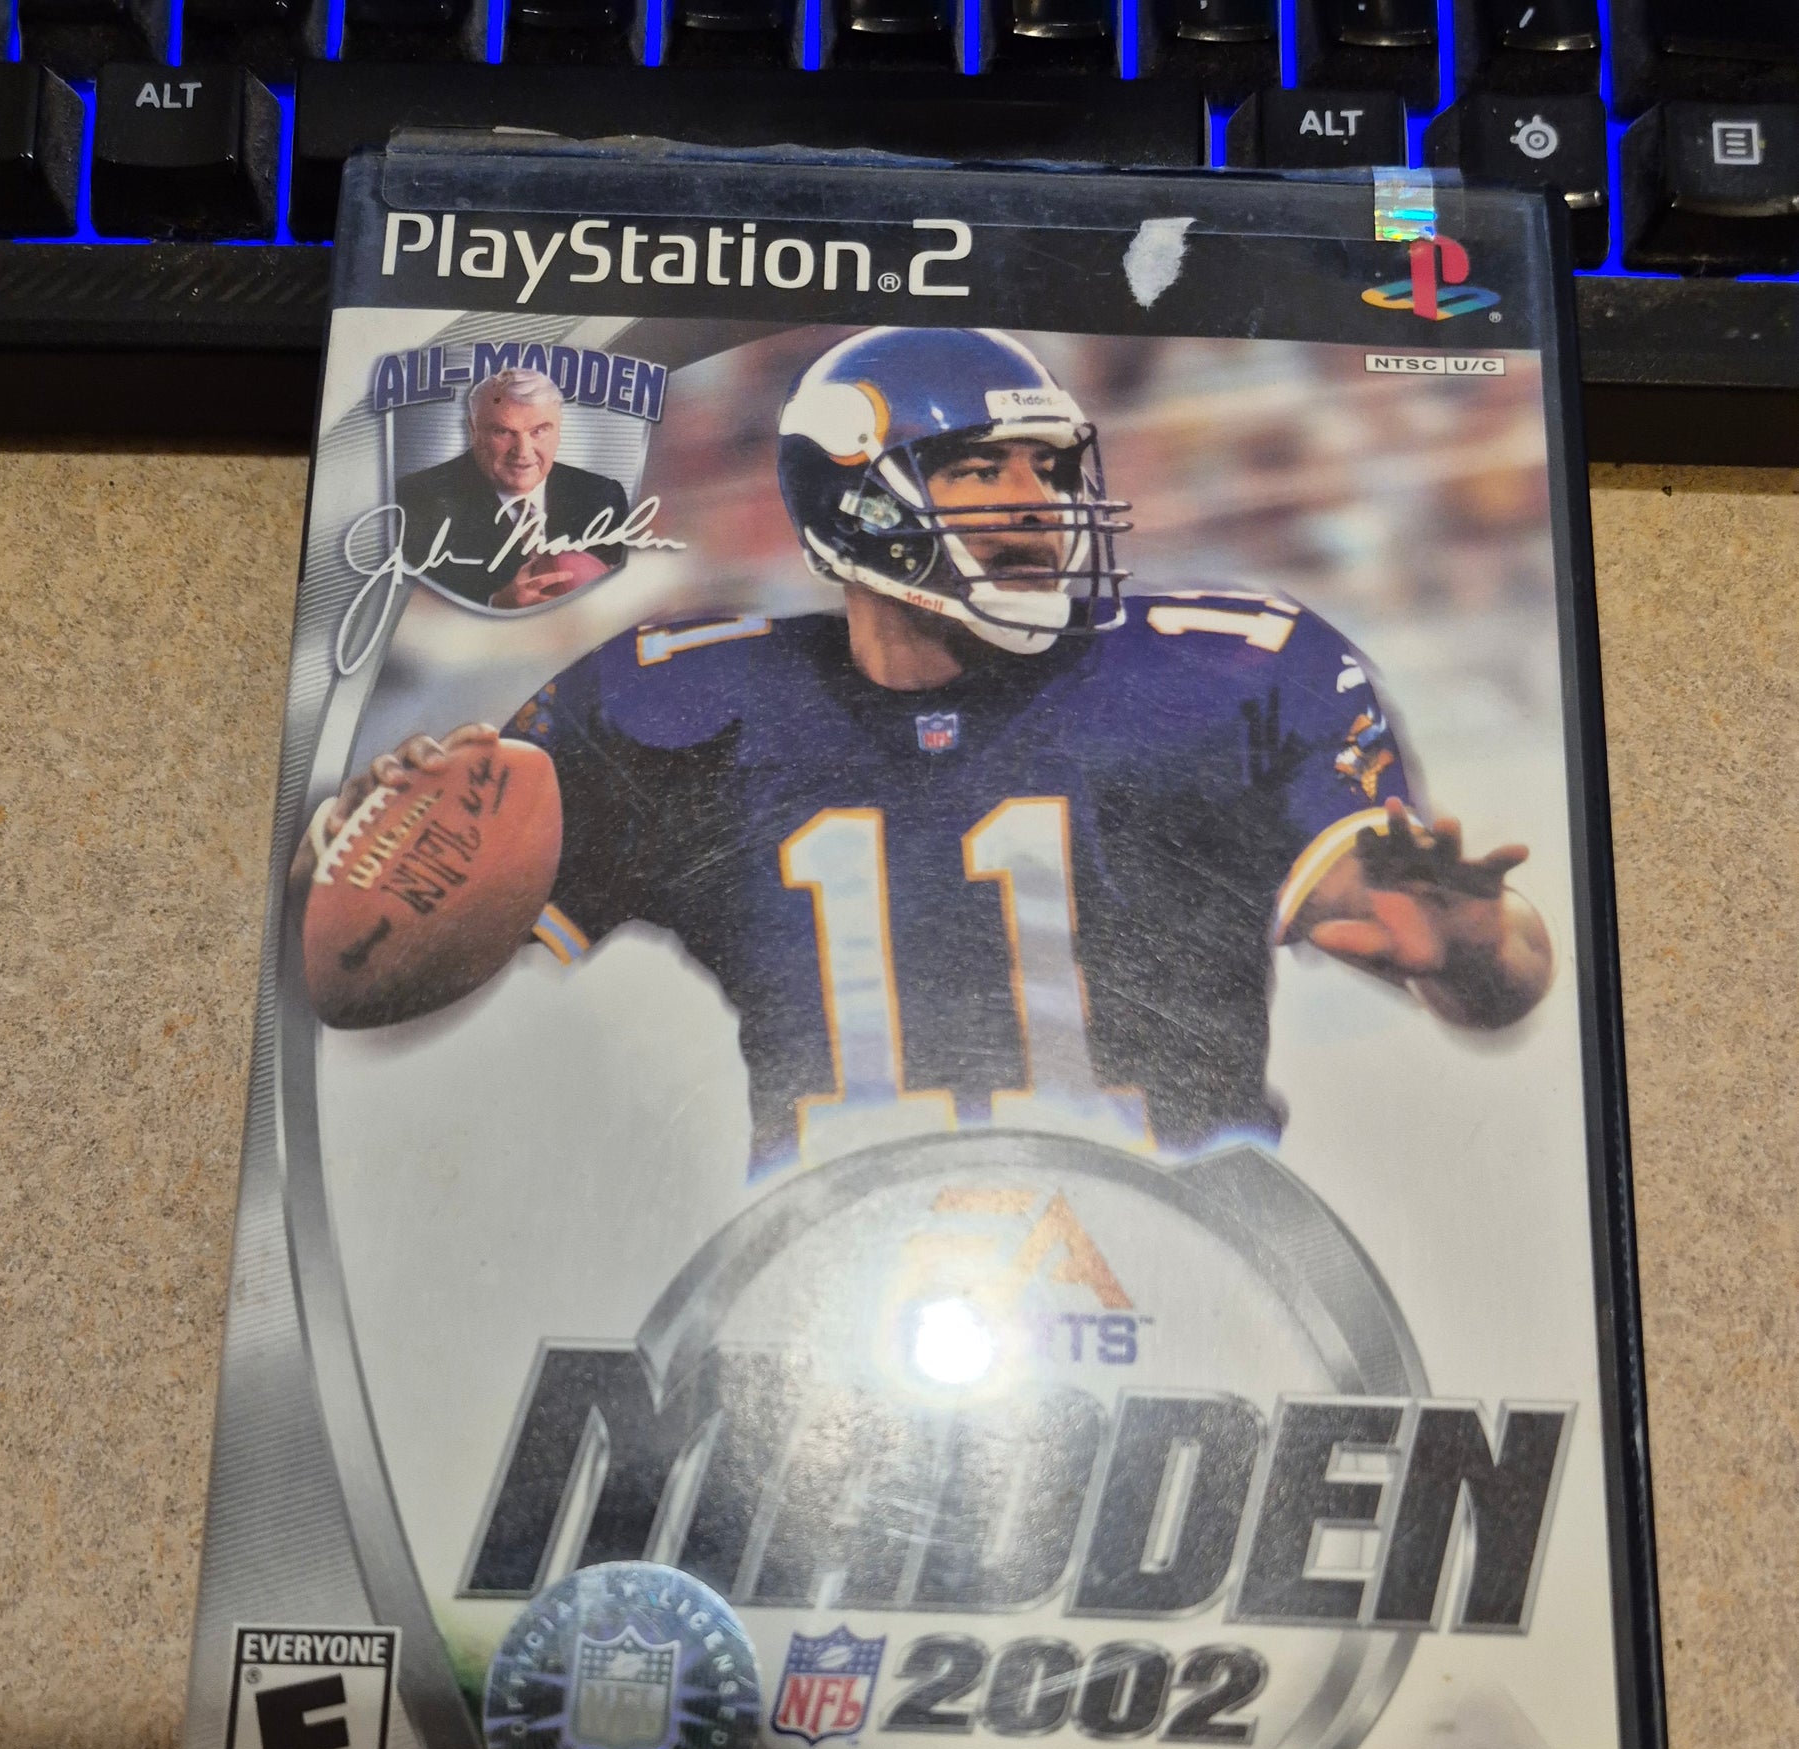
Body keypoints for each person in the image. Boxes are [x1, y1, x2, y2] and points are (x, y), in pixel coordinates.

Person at [323, 325, 1552, 1170]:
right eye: (976, 468)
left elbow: (1484, 975)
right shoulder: (672, 698)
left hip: (1200, 1262)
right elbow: (376, 970)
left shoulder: (1226, 671)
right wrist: (355, 855)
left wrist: (1472, 942)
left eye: (1048, 468)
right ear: (853, 497)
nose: (1036, 503)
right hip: (817, 1264)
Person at [393, 366, 630, 611]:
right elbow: (405, 610)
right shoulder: (414, 500)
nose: (523, 452)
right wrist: (495, 605)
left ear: (558, 430)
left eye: (539, 431)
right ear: (473, 430)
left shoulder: (602, 495)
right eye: (503, 432)